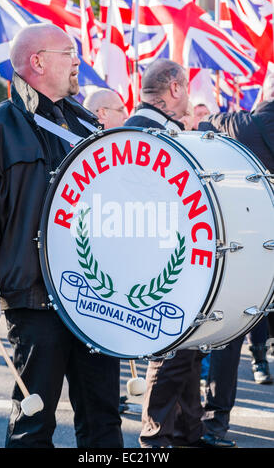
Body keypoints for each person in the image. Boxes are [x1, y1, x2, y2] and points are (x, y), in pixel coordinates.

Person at [0, 23, 123, 449]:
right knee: (32, 424)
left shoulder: (87, 126)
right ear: (37, 61)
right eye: (68, 52)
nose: (78, 61)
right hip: (36, 300)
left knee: (103, 422)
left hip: (97, 298)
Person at [124, 59, 211, 448]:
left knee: (187, 357)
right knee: (171, 355)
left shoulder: (157, 131)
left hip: (178, 265)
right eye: (187, 89)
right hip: (156, 269)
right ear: (175, 88)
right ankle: (153, 442)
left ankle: (188, 436)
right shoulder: (140, 133)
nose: (189, 98)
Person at [198, 71, 274, 446]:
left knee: (229, 332)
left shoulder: (245, 123)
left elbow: (205, 124)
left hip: (252, 246)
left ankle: (214, 425)